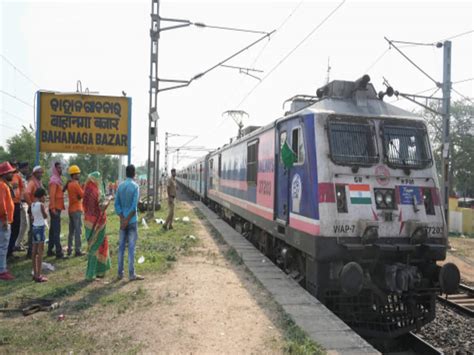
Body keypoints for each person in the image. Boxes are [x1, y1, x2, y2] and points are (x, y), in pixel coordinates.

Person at [114, 164, 143, 281]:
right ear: (134, 173)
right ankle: (131, 274)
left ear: (126, 173)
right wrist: (127, 219)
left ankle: (120, 273)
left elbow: (116, 204)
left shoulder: (120, 187)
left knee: (121, 247)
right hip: (132, 221)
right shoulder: (135, 187)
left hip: (122, 222)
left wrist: (122, 218)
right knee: (131, 247)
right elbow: (134, 206)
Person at [83, 172, 111, 281]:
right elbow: (102, 207)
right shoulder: (96, 191)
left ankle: (100, 271)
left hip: (88, 222)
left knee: (98, 244)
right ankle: (90, 274)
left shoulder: (87, 190)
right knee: (95, 247)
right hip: (98, 223)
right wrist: (108, 200)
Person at [0, 162, 16, 281]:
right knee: (3, 246)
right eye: (10, 172)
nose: (12, 174)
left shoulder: (4, 184)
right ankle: (2, 270)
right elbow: (2, 204)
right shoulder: (2, 185)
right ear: (5, 174)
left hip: (3, 220)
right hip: (3, 221)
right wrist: (5, 219)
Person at [24, 166, 44, 259]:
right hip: (34, 210)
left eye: (41, 172)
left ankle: (34, 251)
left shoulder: (38, 182)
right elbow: (26, 193)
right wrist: (31, 206)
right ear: (35, 173)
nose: (41, 174)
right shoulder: (32, 182)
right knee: (33, 230)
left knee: (37, 230)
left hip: (38, 210)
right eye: (39, 172)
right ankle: (31, 251)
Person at [47, 161, 65, 259]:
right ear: (55, 169)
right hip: (55, 209)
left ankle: (50, 250)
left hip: (57, 208)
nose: (60, 169)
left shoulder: (58, 180)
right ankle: (59, 253)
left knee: (52, 231)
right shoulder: (54, 181)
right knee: (56, 231)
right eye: (58, 168)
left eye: (61, 167)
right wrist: (53, 208)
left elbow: (60, 193)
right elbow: (52, 196)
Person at [65, 165, 84, 256]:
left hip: (71, 210)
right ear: (74, 175)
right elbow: (82, 195)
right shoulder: (76, 184)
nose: (79, 175)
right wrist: (83, 187)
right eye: (78, 174)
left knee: (71, 231)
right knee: (78, 230)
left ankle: (69, 249)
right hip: (77, 209)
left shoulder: (69, 184)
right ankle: (78, 250)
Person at [31, 188, 48, 283]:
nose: (45, 198)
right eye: (44, 196)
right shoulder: (41, 205)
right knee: (40, 252)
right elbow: (45, 216)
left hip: (34, 227)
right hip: (40, 228)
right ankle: (39, 274)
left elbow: (32, 217)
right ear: (42, 196)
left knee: (34, 251)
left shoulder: (32, 204)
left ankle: (34, 273)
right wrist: (45, 209)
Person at [7, 161, 24, 258]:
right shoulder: (5, 178)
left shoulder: (18, 176)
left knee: (16, 228)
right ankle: (7, 252)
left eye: (16, 165)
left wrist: (20, 199)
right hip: (9, 205)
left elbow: (22, 188)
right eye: (13, 165)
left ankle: (10, 250)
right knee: (8, 228)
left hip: (17, 204)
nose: (15, 167)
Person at [15, 162, 30, 251]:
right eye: (26, 168)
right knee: (23, 224)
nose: (27, 170)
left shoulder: (22, 177)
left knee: (24, 224)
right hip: (21, 203)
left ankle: (18, 243)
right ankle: (17, 243)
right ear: (22, 168)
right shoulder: (18, 176)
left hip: (24, 202)